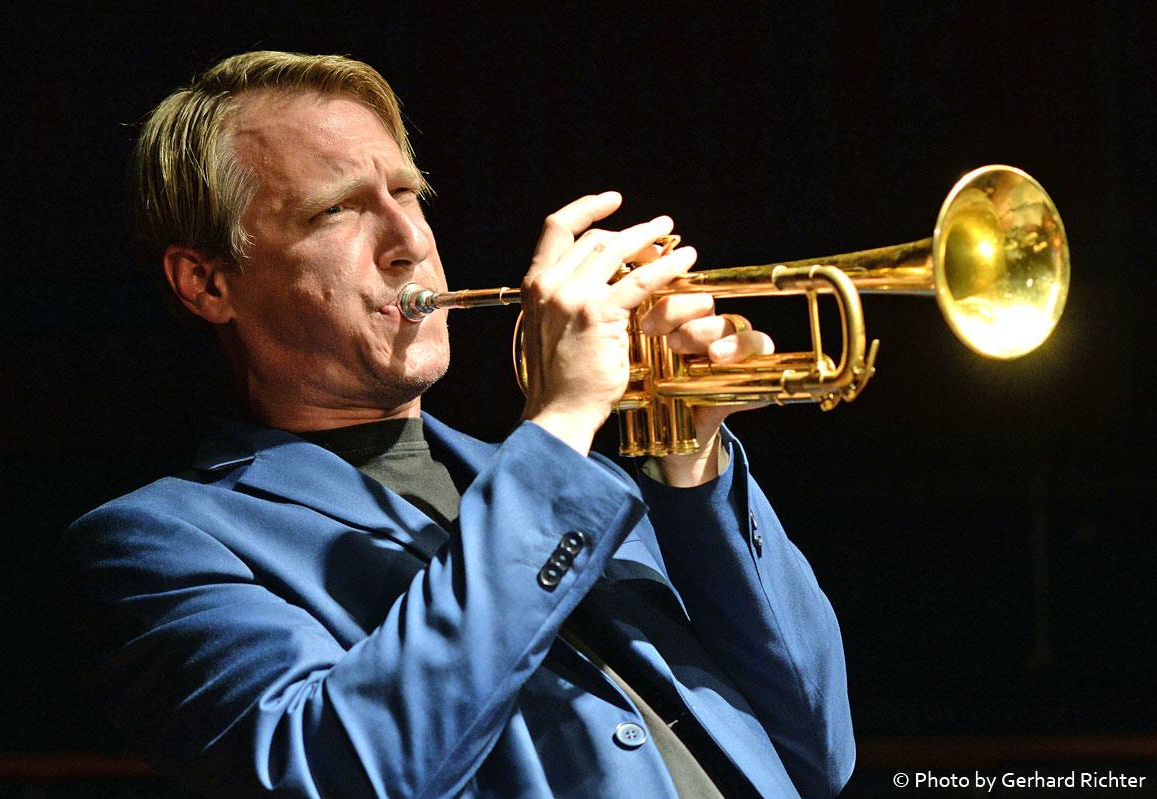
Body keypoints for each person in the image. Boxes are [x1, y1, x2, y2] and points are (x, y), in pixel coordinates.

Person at [63, 51, 855, 798]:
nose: (410, 242)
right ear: (206, 282)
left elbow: (816, 749)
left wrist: (692, 455)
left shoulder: (587, 487)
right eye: (336, 208)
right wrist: (562, 421)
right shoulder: (157, 544)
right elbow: (347, 770)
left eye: (406, 194)